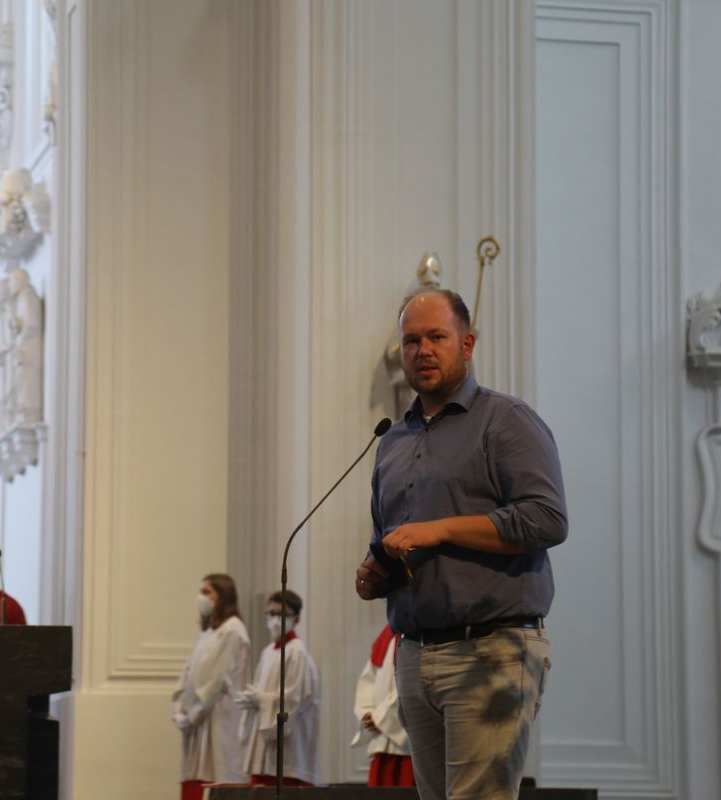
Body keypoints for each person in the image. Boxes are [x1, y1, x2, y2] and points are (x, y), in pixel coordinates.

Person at [354, 287, 567, 800]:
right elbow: (390, 534)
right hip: (415, 653)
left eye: (436, 337)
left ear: (466, 343)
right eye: (410, 341)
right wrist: (375, 569)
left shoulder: (505, 420)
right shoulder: (393, 440)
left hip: (491, 647)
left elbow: (547, 519)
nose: (422, 350)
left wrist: (441, 528)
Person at [171, 574, 251, 800]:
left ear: (223, 596)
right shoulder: (208, 633)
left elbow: (215, 682)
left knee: (215, 775)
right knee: (195, 778)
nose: (201, 598)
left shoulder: (233, 630)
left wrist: (192, 714)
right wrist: (178, 709)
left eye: (207, 592)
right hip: (197, 722)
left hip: (217, 720)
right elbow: (187, 675)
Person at [236, 590, 320, 787]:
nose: (275, 620)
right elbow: (260, 689)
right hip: (264, 744)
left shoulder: (297, 652)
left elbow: (293, 699)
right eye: (271, 614)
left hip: (288, 746)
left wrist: (261, 700)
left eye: (281, 614)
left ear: (296, 618)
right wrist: (252, 699)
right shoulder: (267, 652)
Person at [352, 623, 413, 787]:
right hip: (381, 739)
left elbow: (411, 683)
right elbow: (369, 678)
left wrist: (379, 717)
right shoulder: (388, 632)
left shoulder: (415, 628)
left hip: (406, 742)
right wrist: (367, 712)